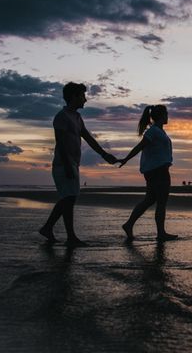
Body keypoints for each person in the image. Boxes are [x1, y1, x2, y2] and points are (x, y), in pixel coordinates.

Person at [39, 82, 117, 246]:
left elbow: (88, 138)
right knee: (69, 198)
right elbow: (60, 143)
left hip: (72, 163)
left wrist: (104, 155)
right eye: (82, 96)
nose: (85, 100)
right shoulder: (62, 116)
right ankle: (70, 237)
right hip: (63, 164)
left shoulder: (77, 117)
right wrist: (68, 165)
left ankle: (48, 228)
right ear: (74, 96)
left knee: (68, 198)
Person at [119, 105, 178, 241]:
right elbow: (140, 146)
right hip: (158, 171)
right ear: (162, 115)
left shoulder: (158, 131)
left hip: (156, 170)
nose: (168, 116)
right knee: (161, 202)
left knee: (150, 199)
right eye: (166, 114)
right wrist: (126, 159)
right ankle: (161, 233)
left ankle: (129, 224)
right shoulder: (153, 131)